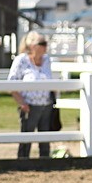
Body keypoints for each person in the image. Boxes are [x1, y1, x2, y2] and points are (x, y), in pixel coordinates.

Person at [8, 31, 56, 159]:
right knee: (26, 136)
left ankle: (45, 161)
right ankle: (23, 162)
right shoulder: (21, 60)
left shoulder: (47, 60)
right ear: (33, 45)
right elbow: (11, 84)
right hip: (29, 105)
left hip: (46, 104)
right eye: (42, 43)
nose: (46, 46)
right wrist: (22, 103)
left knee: (45, 137)